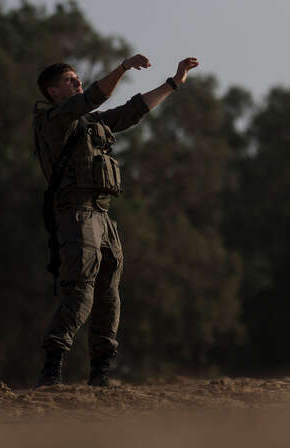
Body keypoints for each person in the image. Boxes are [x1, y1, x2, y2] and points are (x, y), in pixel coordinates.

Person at [31, 52, 199, 387]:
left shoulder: (89, 125)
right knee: (79, 291)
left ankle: (101, 371)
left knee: (109, 293)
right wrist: (123, 67)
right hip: (77, 213)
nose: (77, 82)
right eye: (70, 81)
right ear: (54, 92)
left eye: (77, 78)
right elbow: (97, 95)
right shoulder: (54, 121)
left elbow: (130, 112)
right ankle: (52, 367)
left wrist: (172, 84)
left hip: (102, 214)